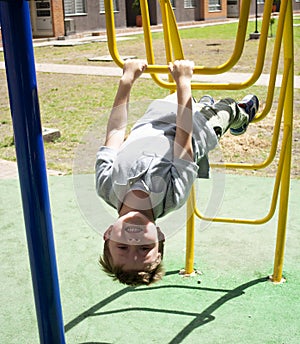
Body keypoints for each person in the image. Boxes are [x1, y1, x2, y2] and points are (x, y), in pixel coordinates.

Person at [95, 59, 259, 286]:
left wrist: (127, 80)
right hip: (199, 127)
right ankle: (241, 115)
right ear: (160, 237)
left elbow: (115, 130)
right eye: (145, 247)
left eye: (123, 246)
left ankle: (200, 102)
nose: (134, 238)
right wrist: (183, 81)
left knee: (185, 100)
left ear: (108, 233)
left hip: (156, 117)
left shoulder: (106, 186)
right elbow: (184, 140)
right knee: (227, 108)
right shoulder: (172, 197)